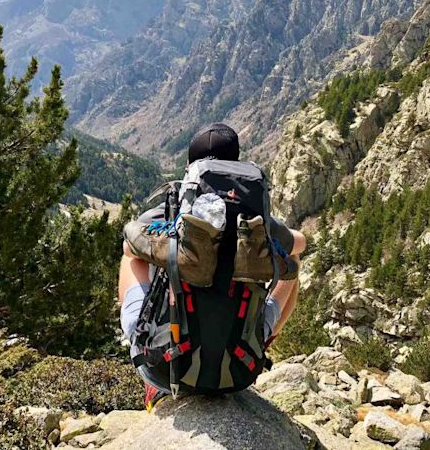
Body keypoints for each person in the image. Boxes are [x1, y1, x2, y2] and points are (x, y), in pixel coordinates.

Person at [117, 122, 306, 409]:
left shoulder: (178, 204)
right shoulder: (253, 214)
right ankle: (259, 343)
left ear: (191, 166)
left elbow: (129, 245)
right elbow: (300, 241)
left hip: (165, 369)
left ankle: (149, 345)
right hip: (240, 369)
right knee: (291, 261)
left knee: (131, 258)